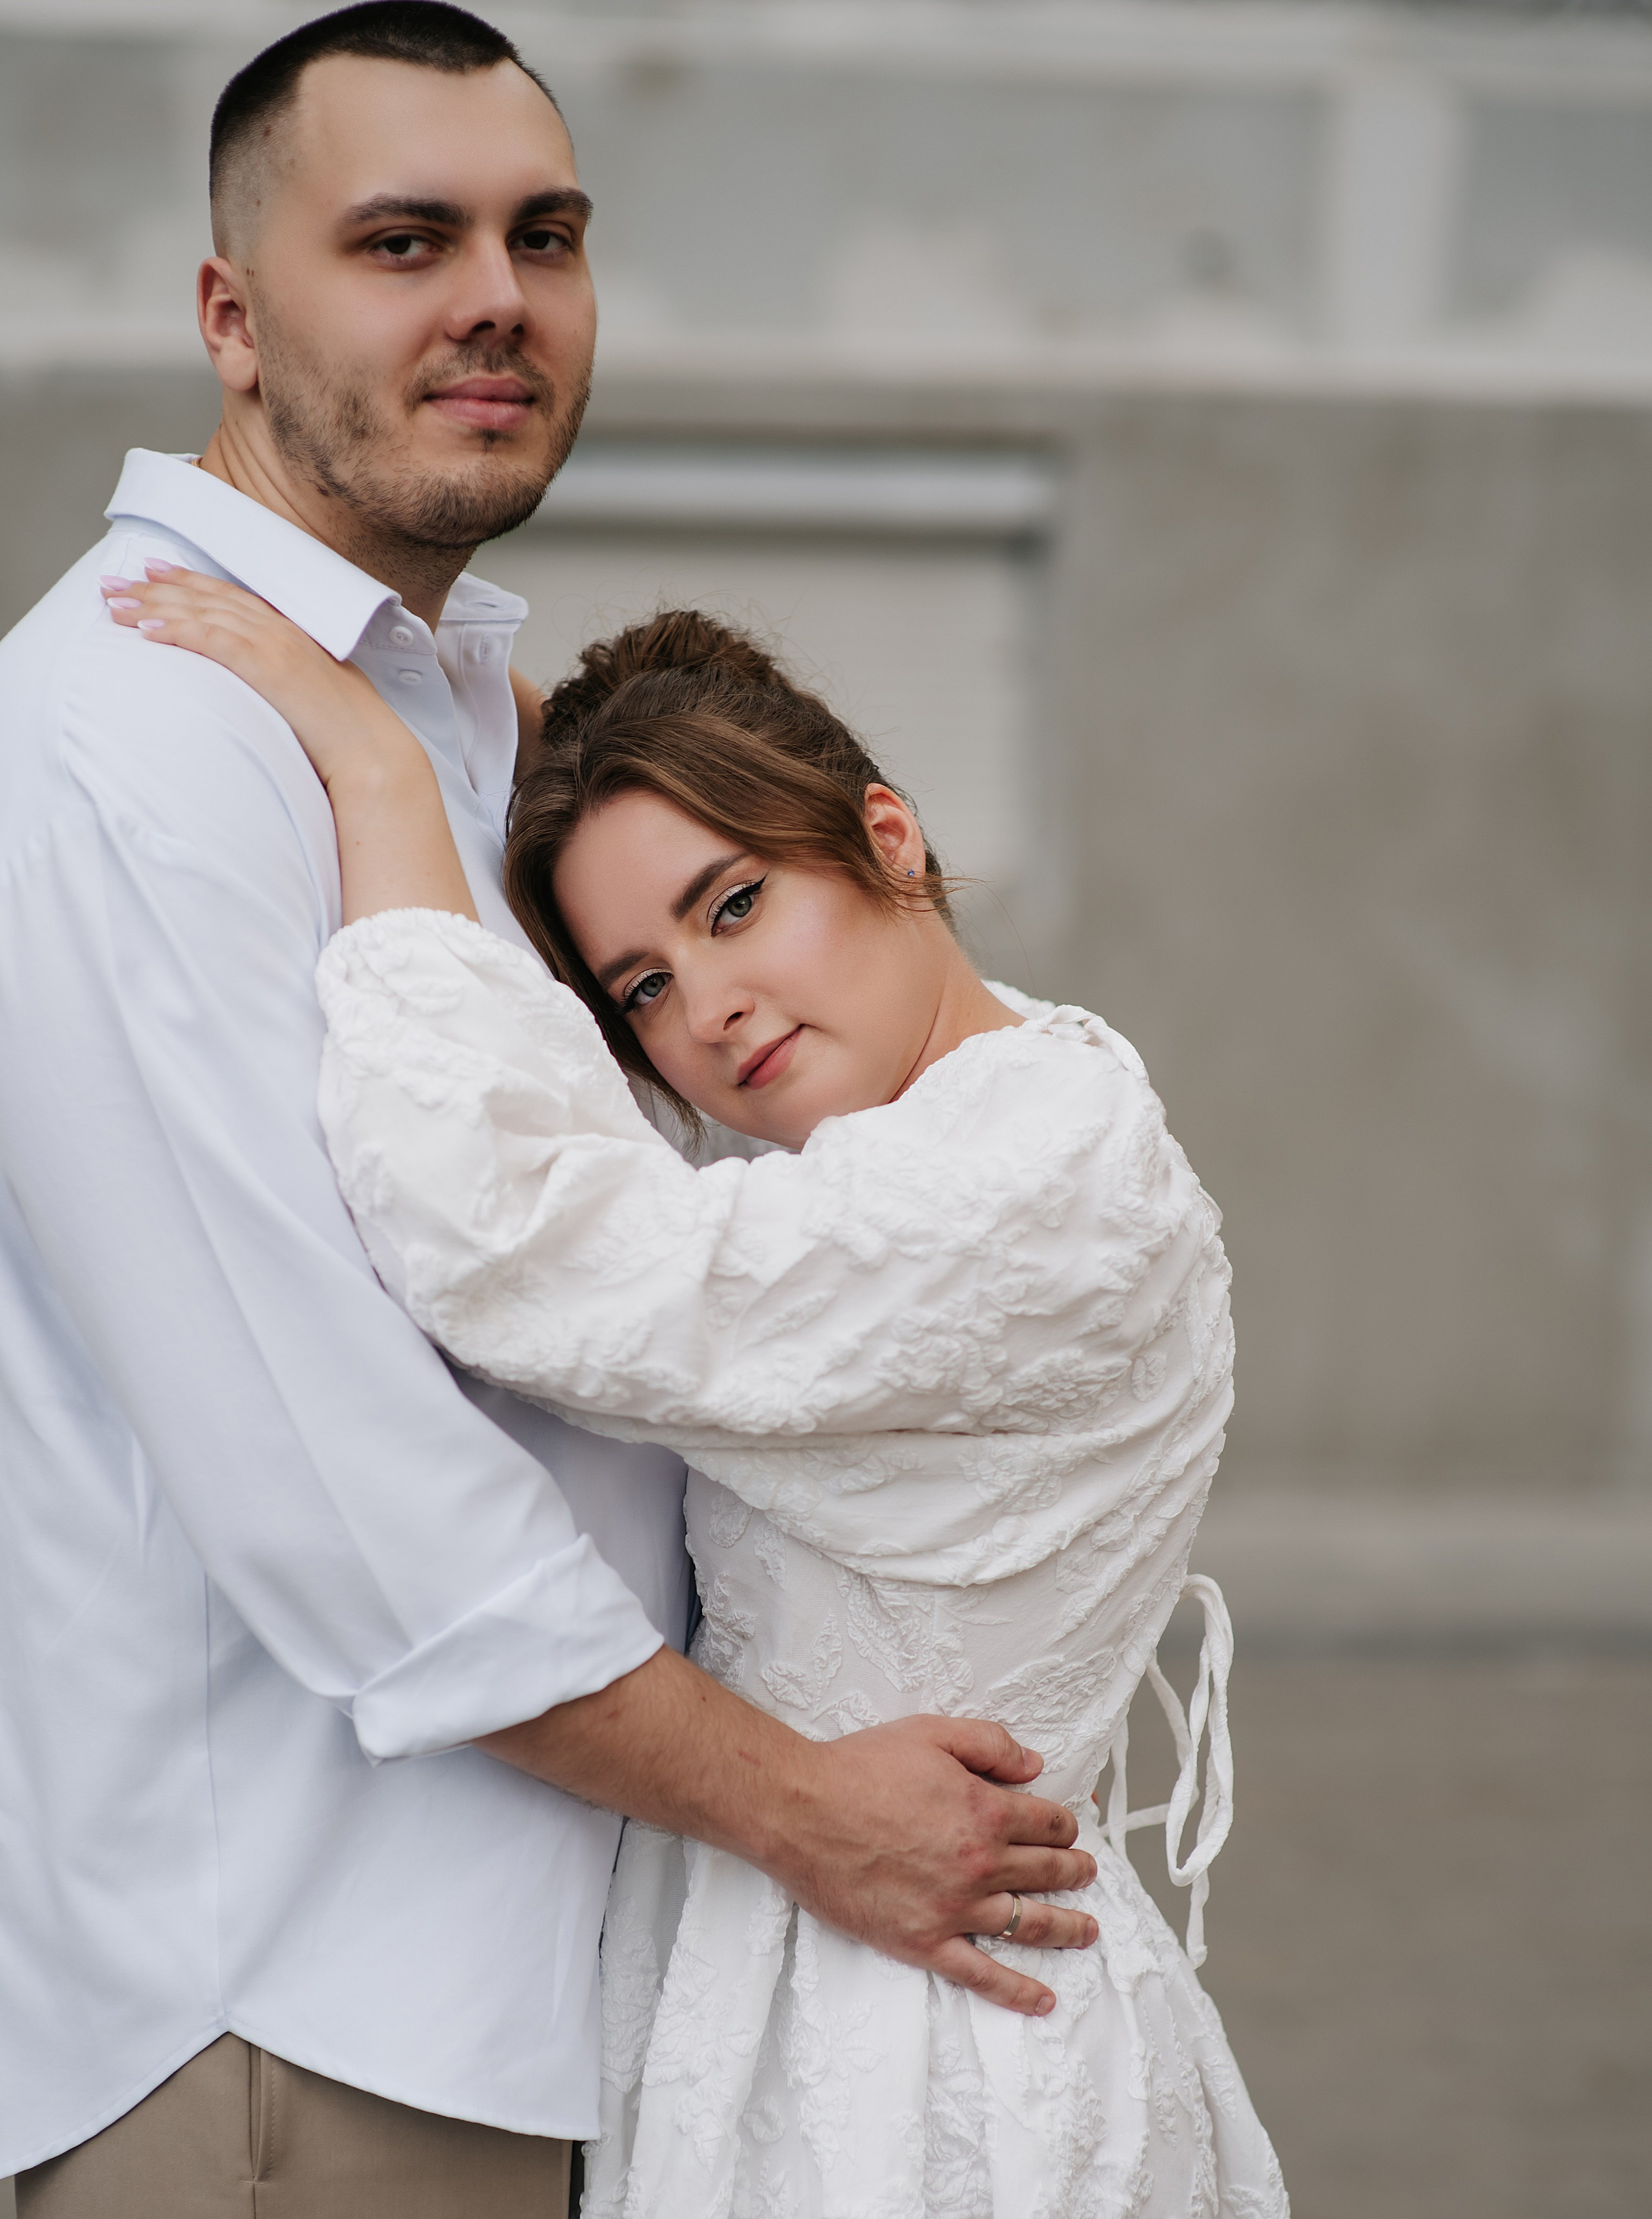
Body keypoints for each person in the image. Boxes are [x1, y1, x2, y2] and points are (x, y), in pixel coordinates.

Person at [0, 8, 1097, 2214]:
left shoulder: (474, 720)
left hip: (558, 1979)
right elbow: (333, 1470)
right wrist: (797, 1797)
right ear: (230, 313)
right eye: (403, 239)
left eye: (546, 234)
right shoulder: (120, 742)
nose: (495, 296)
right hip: (295, 2024)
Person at [98, 567, 1290, 2216]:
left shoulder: (1030, 1175)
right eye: (642, 985)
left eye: (731, 905)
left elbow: (527, 1245)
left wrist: (380, 776)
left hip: (935, 2055)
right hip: (782, 1996)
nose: (707, 1011)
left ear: (885, 837)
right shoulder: (942, 1128)